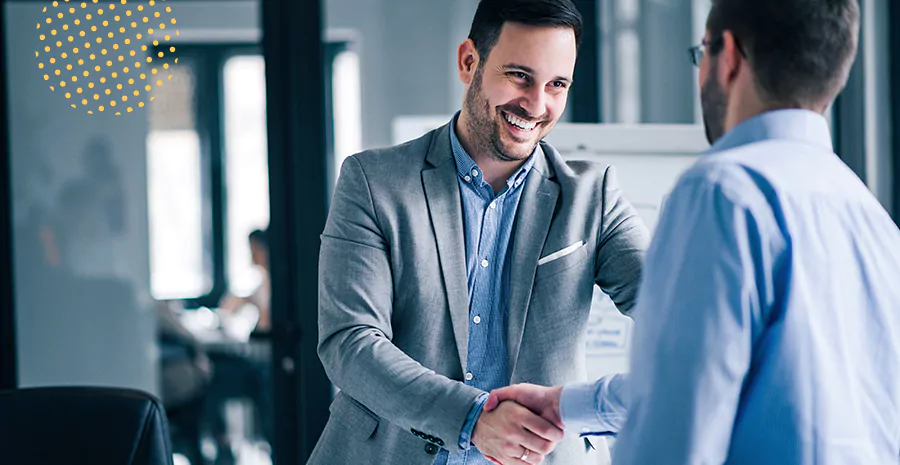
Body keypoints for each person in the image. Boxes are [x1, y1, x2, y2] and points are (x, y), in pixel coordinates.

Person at [486, 0, 900, 463]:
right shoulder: (872, 219)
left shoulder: (724, 191)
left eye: (700, 53)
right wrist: (568, 406)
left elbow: (679, 430)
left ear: (728, 56)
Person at [311, 0, 650, 463]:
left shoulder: (593, 196)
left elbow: (676, 312)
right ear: (469, 61)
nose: (536, 104)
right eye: (519, 76)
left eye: (557, 85)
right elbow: (349, 343)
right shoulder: (374, 183)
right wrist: (470, 419)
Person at [218, 228, 271, 333]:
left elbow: (265, 323)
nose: (252, 255)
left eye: (254, 249)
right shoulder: (263, 281)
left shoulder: (275, 284)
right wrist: (244, 300)